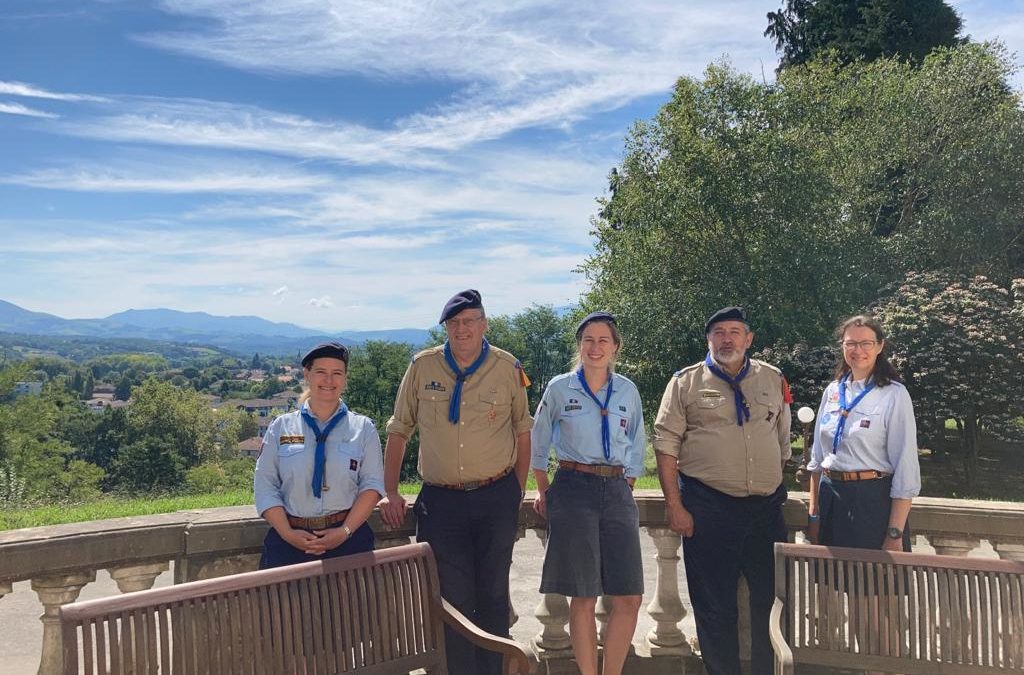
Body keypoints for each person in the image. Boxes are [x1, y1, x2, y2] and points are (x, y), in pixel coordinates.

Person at [378, 289, 533, 675]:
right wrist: (391, 491)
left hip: (495, 496)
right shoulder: (422, 367)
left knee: (494, 593)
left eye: (469, 321)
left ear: (484, 325)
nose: (462, 329)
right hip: (442, 502)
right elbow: (399, 430)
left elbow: (523, 432)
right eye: (454, 323)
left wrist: (515, 490)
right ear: (446, 327)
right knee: (451, 598)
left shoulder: (507, 367)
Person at [653, 306, 792, 675]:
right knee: (714, 606)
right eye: (718, 332)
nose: (726, 338)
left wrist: (767, 482)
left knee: (772, 603)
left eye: (734, 331)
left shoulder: (773, 379)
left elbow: (782, 440)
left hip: (765, 511)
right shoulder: (685, 382)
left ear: (749, 339)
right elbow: (665, 444)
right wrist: (674, 504)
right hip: (708, 508)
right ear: (708, 339)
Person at [531, 312, 646, 675]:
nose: (595, 348)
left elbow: (638, 441)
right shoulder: (560, 388)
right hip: (573, 487)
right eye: (588, 341)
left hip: (617, 490)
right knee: (583, 594)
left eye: (603, 341)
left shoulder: (627, 389)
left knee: (629, 596)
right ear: (579, 346)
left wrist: (625, 484)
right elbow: (538, 441)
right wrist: (543, 488)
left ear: (615, 347)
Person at [254, 342, 384, 569]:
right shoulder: (280, 427)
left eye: (337, 373)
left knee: (352, 606)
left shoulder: (363, 429)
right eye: (320, 372)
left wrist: (344, 532)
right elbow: (265, 484)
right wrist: (287, 533)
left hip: (349, 540)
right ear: (307, 375)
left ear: (345, 379)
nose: (329, 381)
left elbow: (372, 485)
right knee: (284, 606)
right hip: (289, 542)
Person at [806, 315, 920, 552]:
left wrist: (895, 532)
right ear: (842, 347)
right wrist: (814, 515)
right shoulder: (832, 391)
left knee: (873, 586)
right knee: (830, 583)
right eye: (851, 343)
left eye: (866, 343)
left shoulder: (894, 394)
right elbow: (817, 460)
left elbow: (905, 466)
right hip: (831, 498)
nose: (858, 350)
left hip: (871, 502)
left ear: (880, 346)